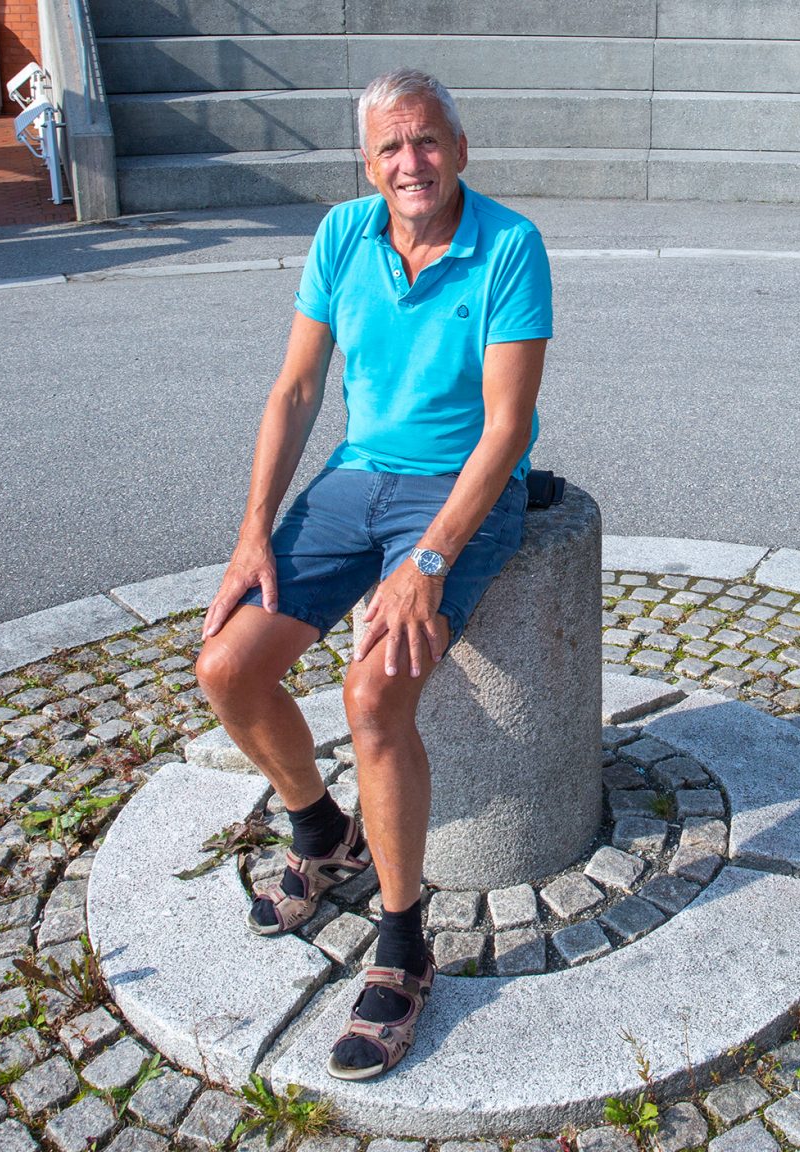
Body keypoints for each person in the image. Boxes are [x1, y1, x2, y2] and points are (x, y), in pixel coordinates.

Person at [192, 67, 553, 1081]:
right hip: (357, 478)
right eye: (390, 147)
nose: (411, 162)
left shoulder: (510, 245)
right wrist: (253, 531)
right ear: (367, 163)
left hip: (463, 488)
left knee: (371, 694)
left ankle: (403, 943)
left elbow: (506, 428)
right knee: (226, 667)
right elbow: (296, 388)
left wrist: (428, 560)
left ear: (460, 149)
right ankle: (322, 831)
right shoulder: (343, 236)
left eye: (427, 140)